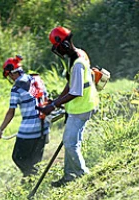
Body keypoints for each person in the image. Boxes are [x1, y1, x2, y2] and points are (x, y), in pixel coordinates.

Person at [37, 26, 99, 187]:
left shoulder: (77, 63)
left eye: (58, 48)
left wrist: (53, 106)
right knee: (69, 141)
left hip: (82, 107)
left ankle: (83, 175)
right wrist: (55, 101)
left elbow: (76, 92)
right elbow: (71, 83)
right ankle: (69, 175)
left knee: (71, 143)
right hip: (80, 106)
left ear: (63, 45)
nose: (58, 52)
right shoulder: (79, 54)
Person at [0, 55, 50, 180]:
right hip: (44, 126)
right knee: (35, 160)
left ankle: (32, 177)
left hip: (30, 130)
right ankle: (33, 181)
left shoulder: (17, 88)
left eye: (9, 76)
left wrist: (0, 130)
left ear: (12, 74)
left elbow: (11, 112)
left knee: (18, 157)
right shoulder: (37, 80)